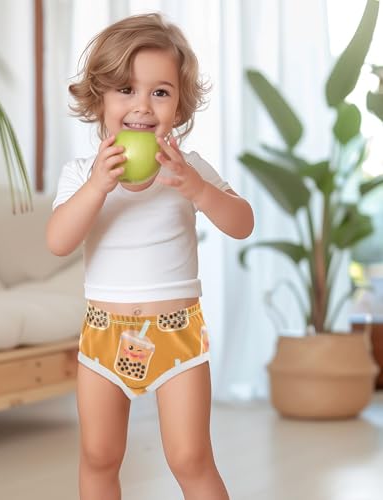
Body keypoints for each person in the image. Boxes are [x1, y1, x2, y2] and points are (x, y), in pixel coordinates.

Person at [47, 12, 254, 500]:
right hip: (103, 336)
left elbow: (242, 223)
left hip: (176, 334)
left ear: (179, 107)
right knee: (98, 457)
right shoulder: (81, 173)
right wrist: (98, 186)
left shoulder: (189, 169)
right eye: (125, 89)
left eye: (159, 92)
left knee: (190, 458)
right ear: (99, 98)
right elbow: (58, 241)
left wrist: (198, 189)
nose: (142, 105)